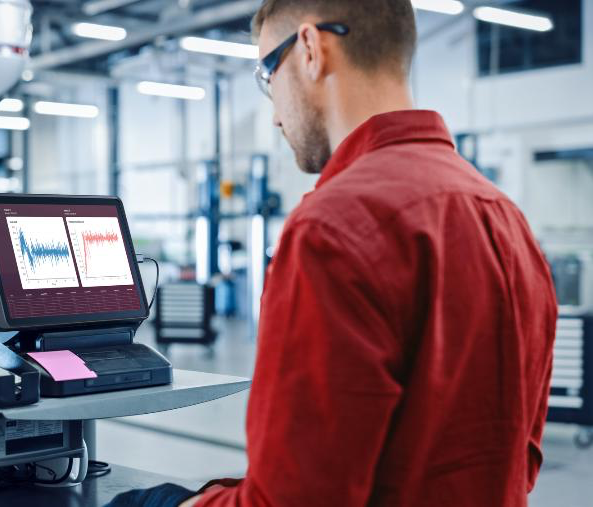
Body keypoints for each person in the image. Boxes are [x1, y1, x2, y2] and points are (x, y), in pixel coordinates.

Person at [108, 0, 557, 506]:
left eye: (267, 74)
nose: (275, 116)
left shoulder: (332, 227)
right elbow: (518, 462)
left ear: (310, 49)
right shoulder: (507, 220)